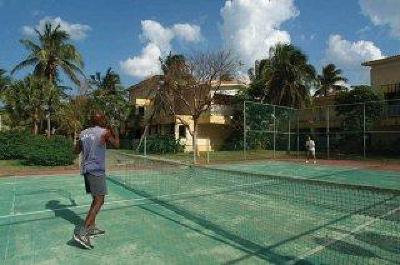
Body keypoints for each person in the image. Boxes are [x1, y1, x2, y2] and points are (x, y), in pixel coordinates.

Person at [73, 112, 119, 249]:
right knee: (100, 201)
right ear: (101, 120)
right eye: (104, 118)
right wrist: (115, 131)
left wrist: (78, 141)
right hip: (97, 171)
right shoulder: (104, 132)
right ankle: (83, 232)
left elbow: (75, 151)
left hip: (86, 170)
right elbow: (117, 144)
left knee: (95, 200)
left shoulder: (83, 133)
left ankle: (92, 228)